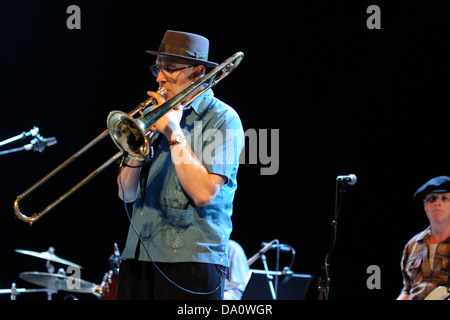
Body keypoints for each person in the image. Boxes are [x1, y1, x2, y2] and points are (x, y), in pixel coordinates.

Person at [115, 30, 244, 300]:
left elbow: (203, 193)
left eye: (170, 70)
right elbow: (126, 193)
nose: (160, 78)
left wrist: (174, 134)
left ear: (198, 72)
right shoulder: (153, 116)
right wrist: (139, 146)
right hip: (138, 255)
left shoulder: (223, 119)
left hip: (190, 261)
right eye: (158, 68)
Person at [397, 176, 450, 300]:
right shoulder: (412, 245)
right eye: (432, 199)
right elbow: (407, 290)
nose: (437, 203)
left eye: (445, 198)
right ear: (425, 205)